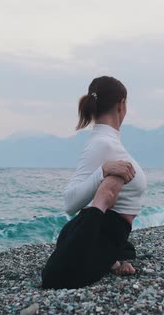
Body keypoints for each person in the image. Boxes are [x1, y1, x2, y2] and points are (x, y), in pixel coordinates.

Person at [41, 76, 147, 289]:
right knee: (62, 277)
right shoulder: (102, 145)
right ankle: (107, 257)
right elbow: (70, 203)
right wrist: (103, 172)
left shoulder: (107, 141)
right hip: (99, 233)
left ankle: (112, 259)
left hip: (112, 234)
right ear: (122, 105)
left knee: (129, 251)